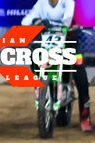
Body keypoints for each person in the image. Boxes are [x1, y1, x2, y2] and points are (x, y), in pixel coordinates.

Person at [21, 0, 89, 132]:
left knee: (79, 70)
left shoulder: (68, 2)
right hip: (47, 41)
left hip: (68, 39)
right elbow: (26, 20)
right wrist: (34, 21)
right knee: (34, 55)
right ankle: (41, 89)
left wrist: (60, 25)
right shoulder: (41, 3)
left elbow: (68, 18)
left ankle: (85, 116)